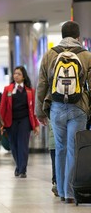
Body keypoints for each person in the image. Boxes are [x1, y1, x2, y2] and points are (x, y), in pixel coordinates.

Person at [35, 21, 91, 203]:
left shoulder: (50, 54)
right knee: (73, 149)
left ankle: (60, 189)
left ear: (61, 35)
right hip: (78, 107)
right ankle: (69, 192)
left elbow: (42, 83)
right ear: (77, 37)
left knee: (60, 149)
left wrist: (39, 112)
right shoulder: (86, 55)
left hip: (56, 107)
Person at [0, 66, 39, 178]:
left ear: (23, 77)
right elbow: (2, 108)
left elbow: (34, 110)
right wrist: (1, 124)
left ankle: (22, 169)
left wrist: (36, 125)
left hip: (25, 120)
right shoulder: (8, 89)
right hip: (10, 121)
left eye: (19, 74)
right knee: (13, 145)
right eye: (15, 73)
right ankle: (18, 166)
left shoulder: (30, 91)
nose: (16, 76)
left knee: (23, 144)